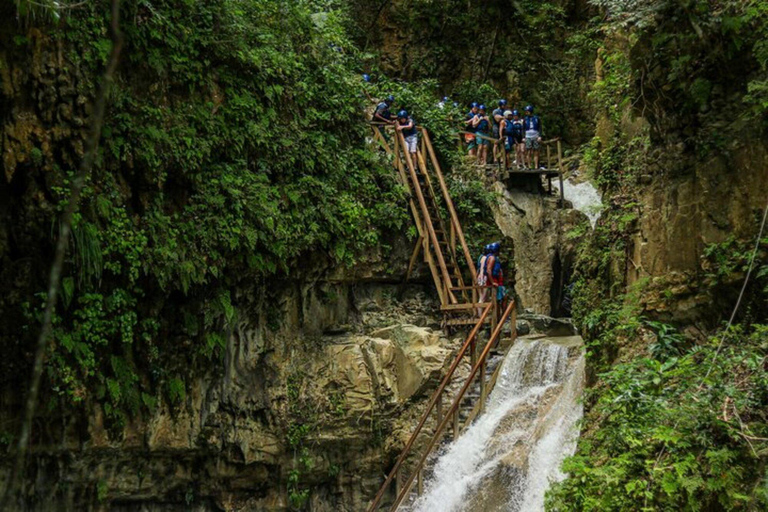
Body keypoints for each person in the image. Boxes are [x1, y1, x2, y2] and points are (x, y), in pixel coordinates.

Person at [485, 242, 507, 312]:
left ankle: (499, 317)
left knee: (499, 299)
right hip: (495, 280)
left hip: (496, 279)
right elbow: (489, 270)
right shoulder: (492, 258)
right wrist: (492, 282)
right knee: (502, 298)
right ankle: (502, 317)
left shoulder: (490, 257)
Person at [523, 105, 543, 170]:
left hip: (535, 136)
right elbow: (523, 129)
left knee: (536, 151)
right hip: (528, 136)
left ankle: (536, 166)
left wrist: (540, 136)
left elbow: (540, 127)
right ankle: (529, 166)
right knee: (528, 151)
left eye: (527, 111)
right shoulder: (525, 119)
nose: (526, 113)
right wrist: (523, 137)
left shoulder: (537, 118)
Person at [476, 245, 492, 317]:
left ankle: (482, 314)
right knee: (482, 298)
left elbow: (478, 269)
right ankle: (481, 316)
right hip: (484, 278)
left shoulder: (480, 257)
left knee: (482, 297)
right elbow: (484, 269)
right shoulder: (486, 258)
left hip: (479, 277)